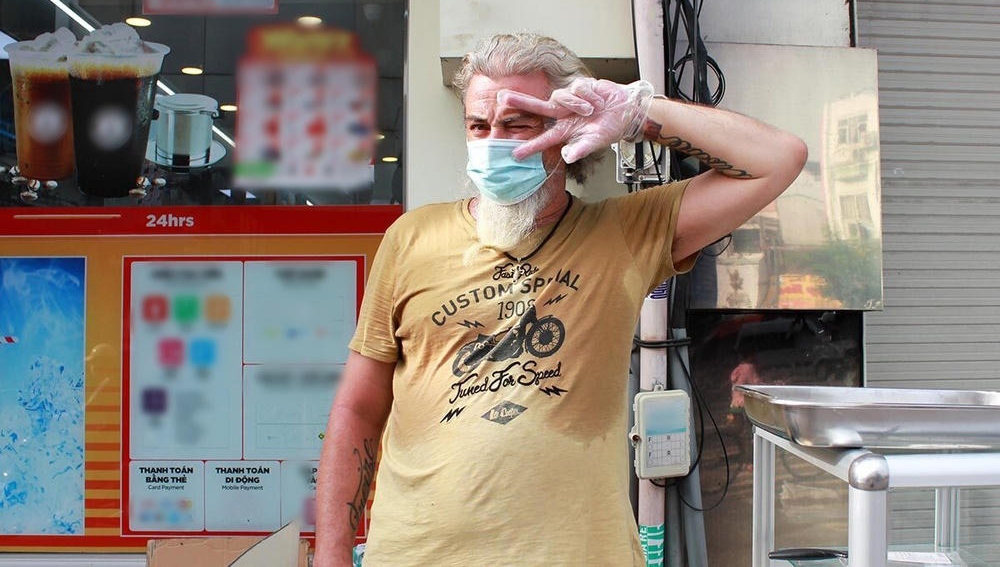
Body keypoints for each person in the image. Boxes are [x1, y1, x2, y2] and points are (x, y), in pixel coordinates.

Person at [314, 33, 807, 566]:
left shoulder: (625, 232)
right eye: (478, 126)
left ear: (564, 127)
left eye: (518, 125)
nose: (494, 143)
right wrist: (332, 554)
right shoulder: (412, 237)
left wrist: (638, 112)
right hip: (416, 554)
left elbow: (779, 159)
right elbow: (358, 407)